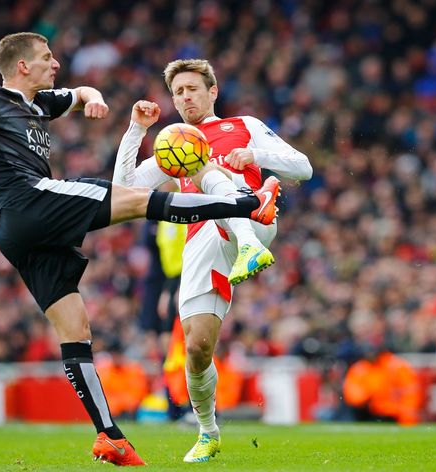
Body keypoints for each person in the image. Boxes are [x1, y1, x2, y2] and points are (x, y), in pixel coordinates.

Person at [0, 33, 280, 466]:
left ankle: (109, 436)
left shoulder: (40, 102)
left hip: (21, 235)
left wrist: (91, 98)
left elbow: (79, 93)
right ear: (21, 66)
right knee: (127, 198)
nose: (55, 64)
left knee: (75, 330)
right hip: (28, 201)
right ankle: (248, 203)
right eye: (46, 58)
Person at [114, 58, 312, 462]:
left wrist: (252, 153)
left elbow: (304, 167)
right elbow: (123, 189)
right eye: (178, 92)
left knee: (201, 163)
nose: (185, 97)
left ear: (212, 91)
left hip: (256, 216)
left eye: (192, 89)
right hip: (203, 237)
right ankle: (208, 432)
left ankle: (251, 233)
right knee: (198, 347)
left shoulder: (244, 126)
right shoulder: (174, 143)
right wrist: (136, 129)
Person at [343, 346, 421, 425]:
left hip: (391, 411)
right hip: (370, 409)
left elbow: (410, 391)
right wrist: (365, 397)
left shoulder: (395, 366)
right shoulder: (360, 368)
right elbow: (352, 392)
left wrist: (406, 415)